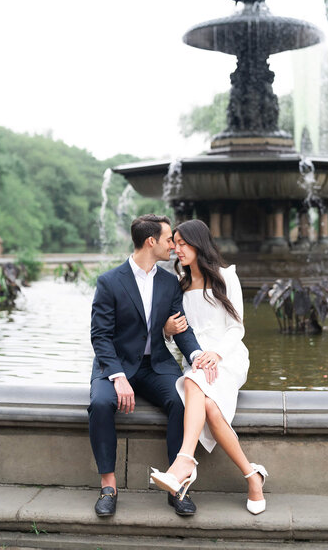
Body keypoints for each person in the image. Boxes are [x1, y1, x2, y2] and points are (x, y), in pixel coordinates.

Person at [88, 214, 212, 518]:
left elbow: (181, 328)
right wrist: (117, 376)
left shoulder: (170, 282)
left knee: (181, 400)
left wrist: (197, 356)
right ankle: (108, 486)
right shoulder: (109, 281)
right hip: (115, 364)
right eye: (170, 239)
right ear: (151, 241)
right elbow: (100, 336)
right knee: (100, 404)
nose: (174, 245)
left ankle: (177, 484)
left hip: (156, 363)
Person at [151, 219, 268, 515]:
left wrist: (215, 354)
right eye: (174, 243)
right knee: (211, 409)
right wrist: (167, 329)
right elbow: (176, 331)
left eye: (182, 243)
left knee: (192, 382)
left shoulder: (226, 277)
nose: (177, 249)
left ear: (198, 243)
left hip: (227, 356)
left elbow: (237, 328)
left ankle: (184, 462)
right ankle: (252, 478)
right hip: (196, 358)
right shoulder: (181, 285)